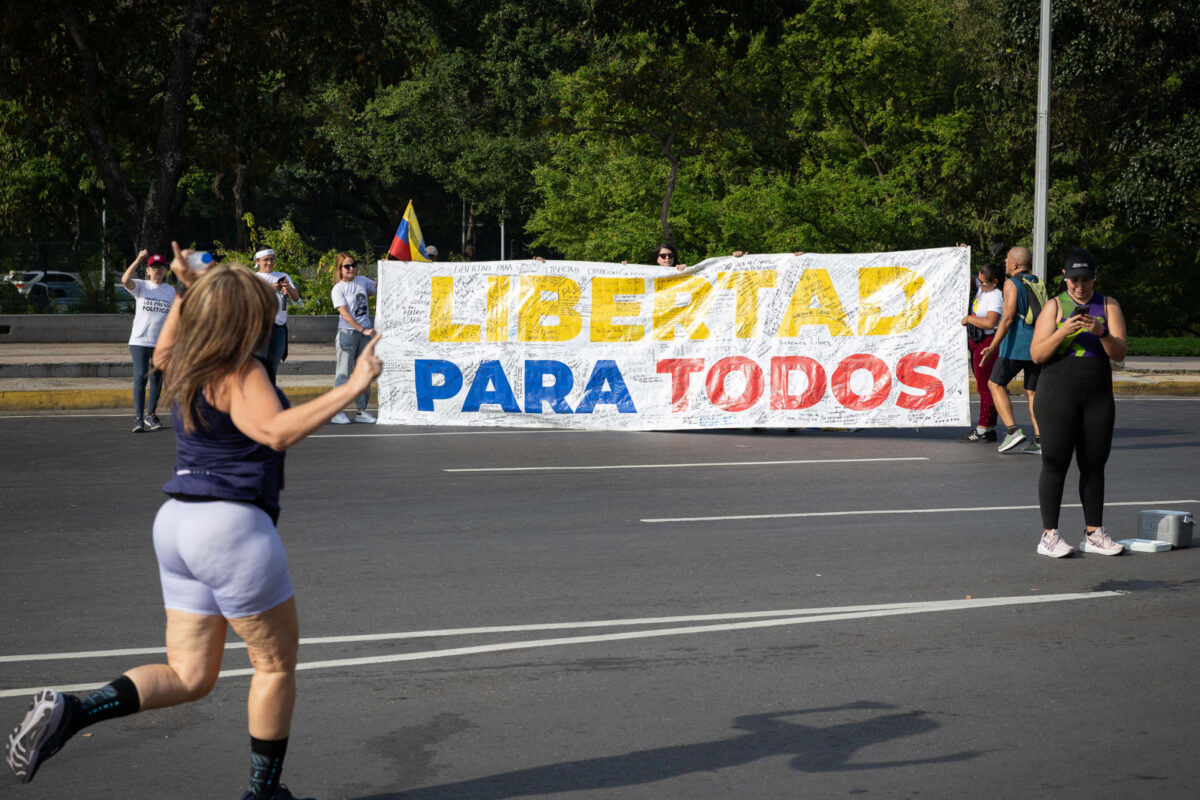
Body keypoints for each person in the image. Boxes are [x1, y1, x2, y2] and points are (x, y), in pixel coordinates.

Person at [5, 244, 383, 800]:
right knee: (274, 667)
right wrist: (351, 388)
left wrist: (186, 291)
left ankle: (71, 711)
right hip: (231, 528)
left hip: (177, 524)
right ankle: (264, 795)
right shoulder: (240, 367)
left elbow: (158, 354)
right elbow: (274, 431)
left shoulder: (184, 361)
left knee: (189, 676)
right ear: (246, 318)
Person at [1028, 247, 1127, 558]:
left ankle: (1094, 532)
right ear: (1065, 278)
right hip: (1058, 393)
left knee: (1094, 464)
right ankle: (1049, 535)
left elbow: (1120, 353)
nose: (1079, 286)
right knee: (1055, 462)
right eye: (1074, 280)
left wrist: (1101, 332)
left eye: (1085, 279)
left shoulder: (1108, 305)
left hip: (1097, 395)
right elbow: (1037, 354)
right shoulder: (1055, 306)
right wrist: (1063, 331)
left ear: (1094, 277)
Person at [979, 245, 1046, 454]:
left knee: (995, 383)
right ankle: (1040, 441)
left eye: (1007, 259)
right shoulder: (1037, 281)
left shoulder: (1011, 284)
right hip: (1038, 344)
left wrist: (993, 345)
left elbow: (1007, 318)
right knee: (1032, 392)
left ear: (1015, 264)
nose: (1005, 262)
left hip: (1017, 345)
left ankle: (1012, 431)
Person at [121, 249, 176, 432]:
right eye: (153, 267)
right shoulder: (141, 286)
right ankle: (138, 418)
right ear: (147, 271)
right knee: (140, 377)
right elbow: (124, 280)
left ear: (166, 270)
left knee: (157, 378)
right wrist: (138, 258)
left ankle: (150, 415)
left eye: (160, 267)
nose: (157, 271)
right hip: (139, 340)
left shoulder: (170, 291)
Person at [329, 252, 377, 424]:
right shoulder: (338, 289)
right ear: (340, 269)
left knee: (364, 372)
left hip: (364, 334)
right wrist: (362, 329)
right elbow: (345, 314)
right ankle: (336, 411)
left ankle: (361, 410)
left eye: (354, 264)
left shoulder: (362, 281)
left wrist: (387, 269)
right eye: (347, 266)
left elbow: (379, 287)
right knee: (343, 373)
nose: (351, 269)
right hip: (348, 333)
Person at [958, 262, 1004, 442]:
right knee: (988, 386)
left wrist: (969, 318)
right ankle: (990, 428)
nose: (980, 284)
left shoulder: (995, 296)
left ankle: (982, 428)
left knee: (985, 388)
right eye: (979, 280)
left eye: (984, 282)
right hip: (977, 341)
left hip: (988, 341)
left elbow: (990, 322)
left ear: (994, 282)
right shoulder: (984, 289)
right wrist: (960, 258)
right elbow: (970, 281)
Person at [253, 248, 300, 385]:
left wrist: (288, 287)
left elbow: (296, 298)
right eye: (265, 260)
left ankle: (271, 401)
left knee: (273, 369)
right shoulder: (253, 278)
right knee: (259, 367)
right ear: (257, 261)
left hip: (279, 327)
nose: (269, 262)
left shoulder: (283, 275)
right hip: (260, 328)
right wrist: (268, 290)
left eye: (272, 259)